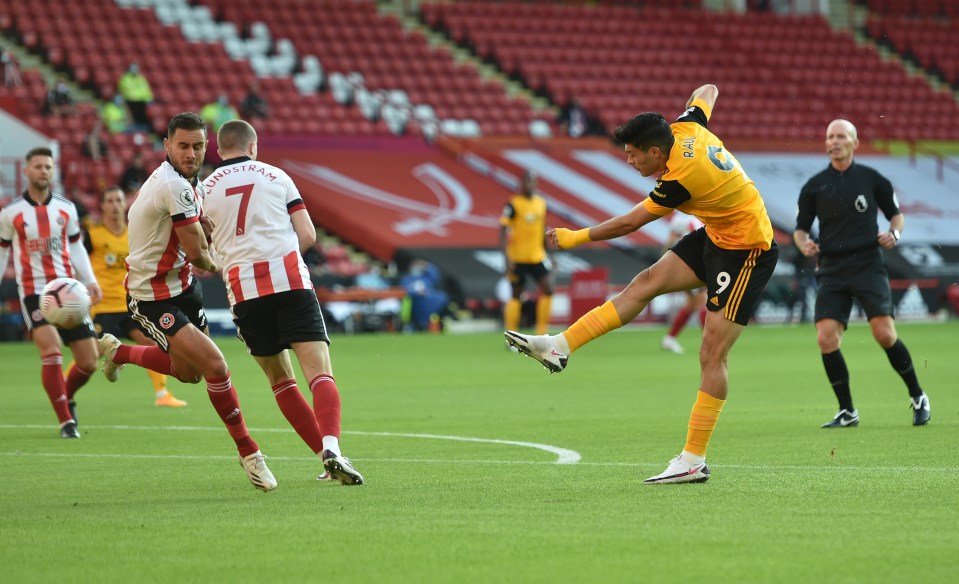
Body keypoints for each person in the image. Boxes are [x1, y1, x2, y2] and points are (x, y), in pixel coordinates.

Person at [505, 84, 779, 485]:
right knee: (645, 282)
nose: (629, 161)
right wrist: (691, 109)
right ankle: (559, 346)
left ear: (655, 152)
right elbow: (709, 90)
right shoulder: (686, 125)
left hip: (747, 250)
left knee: (711, 353)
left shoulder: (682, 176)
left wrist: (575, 237)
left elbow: (631, 222)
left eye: (633, 154)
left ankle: (693, 460)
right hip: (718, 234)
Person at [97, 112, 277, 491]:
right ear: (166, 146)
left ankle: (119, 354)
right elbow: (199, 254)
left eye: (197, 145)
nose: (191, 152)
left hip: (184, 289)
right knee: (215, 365)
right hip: (151, 297)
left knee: (191, 373)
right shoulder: (174, 186)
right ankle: (250, 453)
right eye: (182, 145)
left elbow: (192, 238)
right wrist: (230, 263)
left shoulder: (187, 184)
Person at [201, 119, 363, 485]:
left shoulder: (203, 190)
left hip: (244, 293)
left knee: (281, 380)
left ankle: (324, 462)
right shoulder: (276, 176)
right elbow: (307, 234)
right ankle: (333, 448)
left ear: (219, 150)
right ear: (253, 146)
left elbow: (204, 252)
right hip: (289, 281)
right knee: (319, 372)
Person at [794, 119, 930, 428]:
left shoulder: (873, 179)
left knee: (884, 334)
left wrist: (894, 235)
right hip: (831, 268)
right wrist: (805, 245)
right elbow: (801, 230)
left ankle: (918, 396)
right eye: (830, 136)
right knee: (826, 338)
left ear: (855, 142)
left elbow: (897, 217)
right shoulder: (814, 186)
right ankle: (847, 411)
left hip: (868, 264)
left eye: (842, 136)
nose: (835, 141)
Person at [0, 147, 103, 438]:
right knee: (52, 350)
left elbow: (76, 246)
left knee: (89, 362)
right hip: (35, 293)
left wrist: (90, 280)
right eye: (38, 166)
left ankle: (66, 397)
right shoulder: (11, 212)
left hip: (69, 292)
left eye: (48, 166)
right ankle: (65, 422)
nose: (44, 171)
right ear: (26, 170)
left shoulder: (66, 208)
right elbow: (2, 252)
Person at [84, 185, 187, 408]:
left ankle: (162, 395)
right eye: (109, 201)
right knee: (90, 355)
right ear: (101, 206)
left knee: (152, 342)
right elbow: (79, 265)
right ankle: (65, 386)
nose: (114, 205)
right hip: (103, 306)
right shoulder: (93, 235)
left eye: (118, 200)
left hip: (131, 303)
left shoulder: (134, 233)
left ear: (125, 204)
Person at [500, 170, 553, 335]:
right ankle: (512, 335)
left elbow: (542, 228)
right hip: (518, 257)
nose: (529, 185)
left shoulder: (541, 203)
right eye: (526, 182)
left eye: (532, 182)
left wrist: (550, 254)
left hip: (537, 256)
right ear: (521, 184)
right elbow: (502, 230)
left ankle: (542, 333)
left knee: (548, 290)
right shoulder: (513, 204)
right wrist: (506, 256)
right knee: (516, 295)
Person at [660, 212, 708, 354]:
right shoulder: (681, 218)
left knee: (691, 305)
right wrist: (665, 262)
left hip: (697, 262)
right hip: (690, 265)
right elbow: (671, 240)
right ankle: (709, 341)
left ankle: (669, 339)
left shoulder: (697, 214)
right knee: (702, 302)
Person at [400, 259, 450, 332]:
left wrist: (427, 266)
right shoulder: (407, 279)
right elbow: (405, 290)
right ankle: (422, 325)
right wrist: (417, 293)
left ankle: (436, 322)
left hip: (431, 300)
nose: (417, 268)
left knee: (442, 298)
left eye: (419, 266)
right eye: (416, 266)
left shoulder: (426, 278)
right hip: (417, 302)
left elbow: (435, 275)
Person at [117, 63, 153, 131]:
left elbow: (145, 88)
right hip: (131, 100)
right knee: (133, 113)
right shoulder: (125, 78)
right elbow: (126, 89)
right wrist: (134, 97)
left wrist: (148, 97)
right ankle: (134, 126)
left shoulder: (141, 78)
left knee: (144, 113)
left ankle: (143, 127)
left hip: (141, 100)